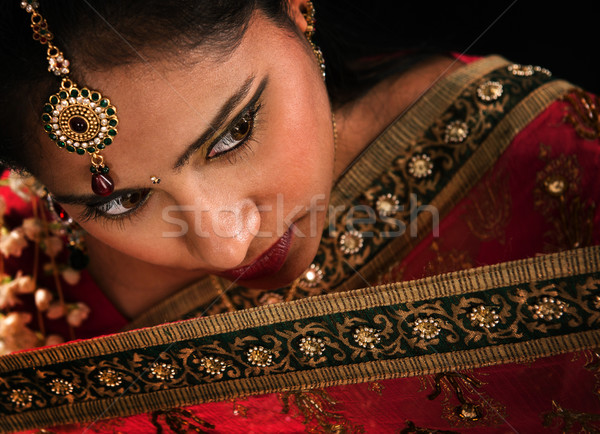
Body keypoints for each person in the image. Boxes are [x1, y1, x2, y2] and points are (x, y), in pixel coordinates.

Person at [0, 0, 599, 432]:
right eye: (120, 201)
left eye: (235, 134)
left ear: (294, 10)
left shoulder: (553, 161)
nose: (225, 246)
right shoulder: (16, 264)